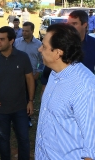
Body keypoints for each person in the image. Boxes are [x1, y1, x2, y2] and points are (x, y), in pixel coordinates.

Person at [35, 23, 95, 160]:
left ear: (58, 53)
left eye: (44, 46)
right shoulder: (54, 74)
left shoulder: (85, 87)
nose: (39, 49)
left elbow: (92, 150)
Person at [0, 26, 34, 160]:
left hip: (20, 107)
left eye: (2, 39)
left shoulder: (22, 57)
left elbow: (30, 79)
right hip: (0, 109)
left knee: (23, 138)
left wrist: (30, 101)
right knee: (4, 138)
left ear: (11, 41)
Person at [40, 10, 95, 96]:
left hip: (84, 91)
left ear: (85, 25)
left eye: (74, 24)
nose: (70, 27)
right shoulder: (61, 43)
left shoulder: (93, 44)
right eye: (69, 24)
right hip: (60, 89)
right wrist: (44, 84)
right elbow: (50, 64)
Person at [14, 22, 43, 127]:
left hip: (32, 76)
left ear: (32, 31)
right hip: (17, 76)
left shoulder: (39, 44)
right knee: (17, 97)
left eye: (27, 31)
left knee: (29, 99)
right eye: (23, 30)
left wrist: (38, 72)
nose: (24, 32)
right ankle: (16, 118)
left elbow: (43, 61)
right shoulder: (16, 43)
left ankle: (27, 119)